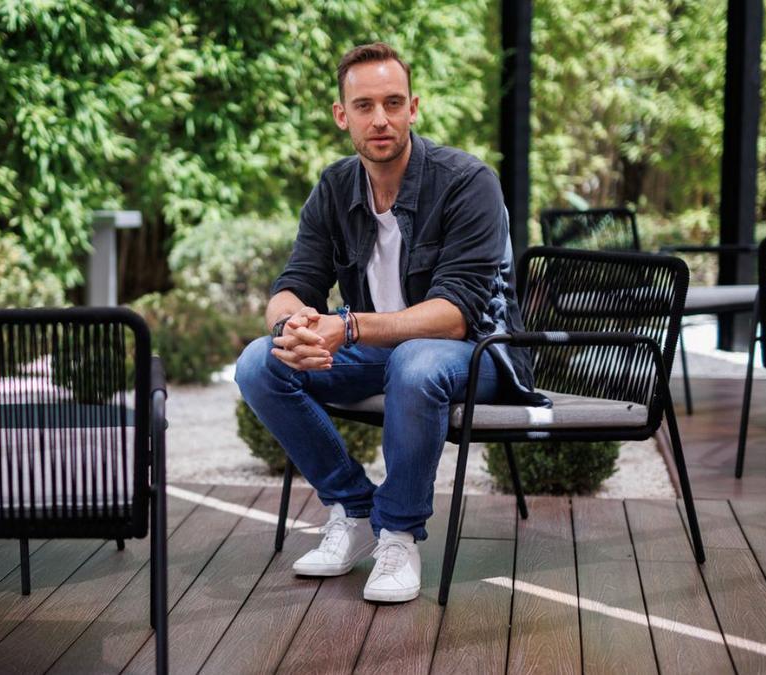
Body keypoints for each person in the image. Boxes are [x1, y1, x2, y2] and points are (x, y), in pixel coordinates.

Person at [234, 42, 547, 604]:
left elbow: (454, 316)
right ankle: (354, 511)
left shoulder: (467, 181)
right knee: (260, 362)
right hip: (386, 353)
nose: (380, 118)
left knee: (416, 359)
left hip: (480, 354)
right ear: (342, 115)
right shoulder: (334, 187)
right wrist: (292, 327)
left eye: (393, 103)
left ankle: (399, 532)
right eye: (364, 106)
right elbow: (294, 283)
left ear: (413, 108)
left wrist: (345, 327)